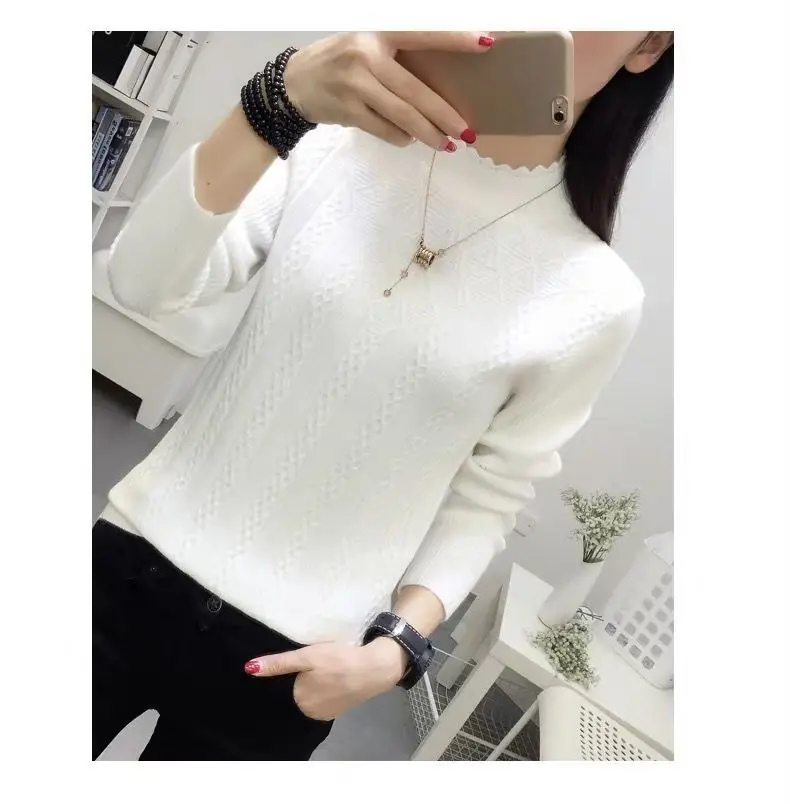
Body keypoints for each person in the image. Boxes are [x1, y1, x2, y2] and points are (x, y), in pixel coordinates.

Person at [93, 30, 674, 761]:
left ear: (648, 44)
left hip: (289, 665)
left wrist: (397, 651)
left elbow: (490, 497)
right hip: (124, 570)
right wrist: (275, 99)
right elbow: (141, 284)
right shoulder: (332, 144)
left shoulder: (598, 298)